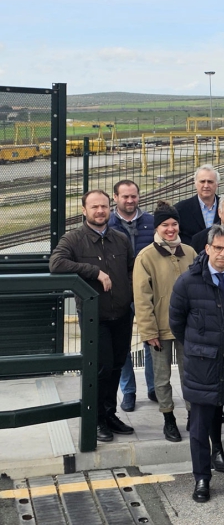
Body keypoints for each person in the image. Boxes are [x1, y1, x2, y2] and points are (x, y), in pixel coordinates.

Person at [170, 225, 224, 503]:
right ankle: (202, 479)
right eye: (217, 248)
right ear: (207, 249)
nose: (222, 253)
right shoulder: (187, 282)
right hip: (203, 367)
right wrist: (203, 348)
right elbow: (177, 323)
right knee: (199, 429)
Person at [50, 190, 135, 443]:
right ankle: (96, 418)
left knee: (117, 366)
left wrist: (130, 297)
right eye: (94, 207)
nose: (100, 211)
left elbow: (132, 270)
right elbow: (56, 264)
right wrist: (93, 271)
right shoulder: (73, 239)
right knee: (101, 368)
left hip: (121, 314)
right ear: (84, 210)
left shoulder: (120, 238)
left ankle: (110, 414)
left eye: (104, 206)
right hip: (94, 317)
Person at [133, 202, 197, 442]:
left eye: (174, 224)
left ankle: (193, 413)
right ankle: (168, 418)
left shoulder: (189, 252)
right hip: (159, 328)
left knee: (190, 373)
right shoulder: (146, 256)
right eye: (165, 225)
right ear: (157, 227)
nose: (170, 229)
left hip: (188, 328)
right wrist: (148, 331)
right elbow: (142, 297)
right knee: (161, 377)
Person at [108, 179, 156, 412]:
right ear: (115, 198)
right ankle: (128, 391)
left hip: (148, 292)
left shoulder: (151, 222)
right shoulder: (107, 223)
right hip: (118, 293)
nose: (130, 200)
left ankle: (155, 386)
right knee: (122, 344)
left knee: (151, 338)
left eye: (133, 196)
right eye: (125, 196)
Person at [175, 165, 220, 245]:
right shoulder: (180, 209)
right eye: (202, 181)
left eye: (210, 182)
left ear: (217, 184)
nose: (206, 186)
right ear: (195, 184)